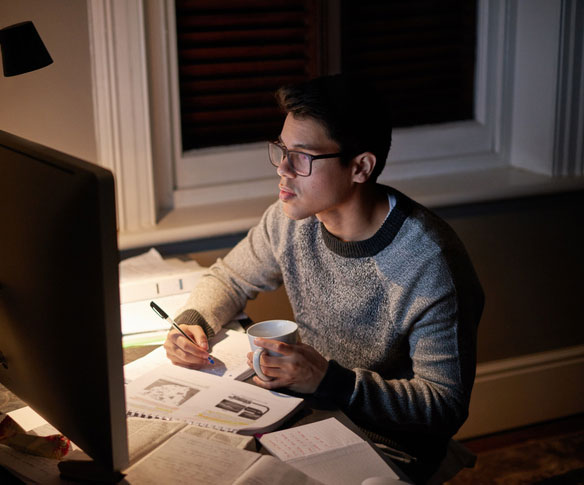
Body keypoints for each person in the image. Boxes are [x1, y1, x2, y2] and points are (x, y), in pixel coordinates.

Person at [162, 74, 484, 482]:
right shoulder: (290, 219)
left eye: (302, 156)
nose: (282, 169)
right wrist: (193, 320)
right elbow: (229, 278)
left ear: (360, 167)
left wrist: (334, 383)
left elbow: (444, 407)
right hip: (302, 414)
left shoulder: (430, 263)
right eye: (281, 149)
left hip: (388, 448)